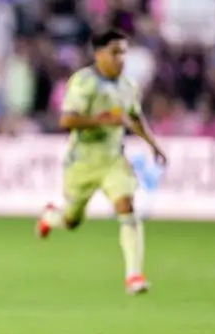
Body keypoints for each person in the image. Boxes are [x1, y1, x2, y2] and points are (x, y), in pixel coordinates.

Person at [35, 29, 167, 296]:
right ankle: (51, 216)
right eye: (115, 52)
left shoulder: (127, 86)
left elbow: (135, 118)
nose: (121, 59)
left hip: (113, 160)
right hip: (81, 162)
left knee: (126, 206)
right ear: (99, 54)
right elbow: (67, 120)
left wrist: (154, 145)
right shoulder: (84, 83)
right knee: (72, 221)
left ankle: (134, 276)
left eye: (123, 52)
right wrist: (103, 120)